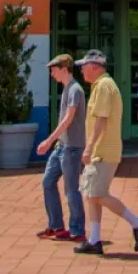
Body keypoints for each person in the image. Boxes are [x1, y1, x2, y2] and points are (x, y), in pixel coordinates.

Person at [73, 49, 138, 257]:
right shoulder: (101, 85)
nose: (81, 71)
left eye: (84, 67)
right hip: (101, 150)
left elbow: (101, 119)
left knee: (97, 194)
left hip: (103, 151)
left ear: (95, 67)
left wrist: (89, 147)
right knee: (91, 195)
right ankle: (94, 240)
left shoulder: (104, 86)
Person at [36, 53, 86, 242]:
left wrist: (48, 141)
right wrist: (55, 143)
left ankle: (77, 230)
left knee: (71, 189)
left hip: (72, 148)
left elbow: (68, 119)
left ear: (64, 69)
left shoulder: (75, 90)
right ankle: (56, 226)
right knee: (48, 182)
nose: (52, 74)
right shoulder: (67, 89)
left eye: (53, 70)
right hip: (61, 147)